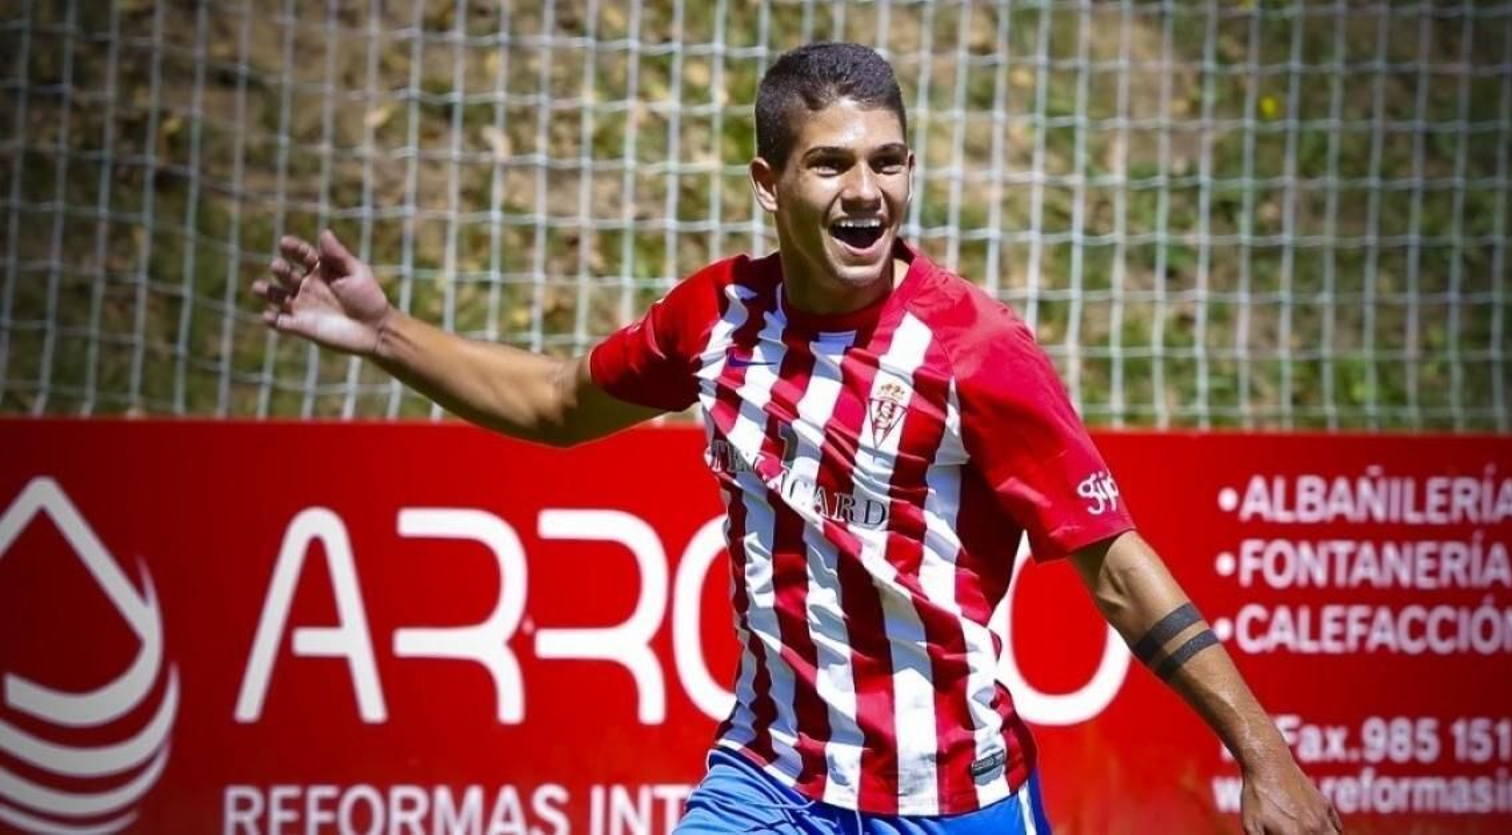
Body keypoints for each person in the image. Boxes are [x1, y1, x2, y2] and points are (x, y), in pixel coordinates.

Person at [254, 41, 1340, 835]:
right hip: (767, 782)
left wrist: (1263, 754)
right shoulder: (715, 317)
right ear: (770, 187)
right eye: (831, 165)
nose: (867, 192)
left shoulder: (977, 351)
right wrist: (386, 332)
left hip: (951, 796)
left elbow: (1117, 571)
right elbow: (553, 405)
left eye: (887, 161)